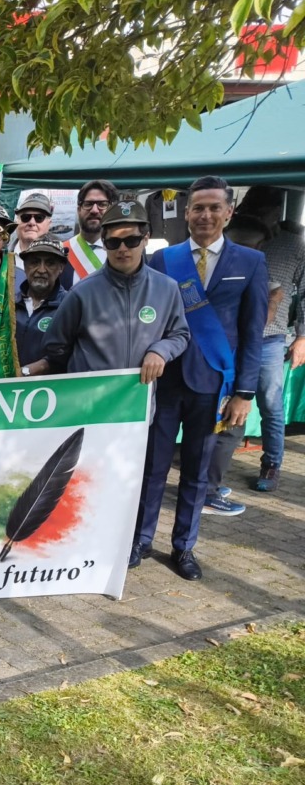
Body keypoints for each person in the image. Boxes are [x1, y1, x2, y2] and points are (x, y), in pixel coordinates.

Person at [139, 178, 267, 580]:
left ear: (229, 212)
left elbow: (251, 333)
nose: (205, 216)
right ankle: (140, 541)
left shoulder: (250, 262)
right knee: (153, 467)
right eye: (198, 208)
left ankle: (184, 547)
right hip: (164, 382)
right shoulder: (164, 260)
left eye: (214, 208)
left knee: (197, 471)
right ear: (187, 212)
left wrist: (244, 392)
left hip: (213, 387)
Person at [34, 200, 188, 380]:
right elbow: (55, 346)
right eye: (114, 242)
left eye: (131, 240)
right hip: (90, 401)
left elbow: (180, 334)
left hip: (137, 399)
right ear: (104, 243)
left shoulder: (167, 288)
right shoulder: (82, 293)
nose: (122, 249)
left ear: (145, 239)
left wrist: (161, 350)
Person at [227, 185, 305, 493]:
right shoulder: (234, 237)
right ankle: (218, 457)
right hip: (230, 334)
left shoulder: (295, 246)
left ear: (278, 211)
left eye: (266, 211)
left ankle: (272, 462)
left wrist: (302, 337)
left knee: (271, 403)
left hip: (269, 340)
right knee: (226, 397)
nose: (261, 217)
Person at [198, 213, 273, 516]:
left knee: (223, 429)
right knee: (226, 430)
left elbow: (253, 330)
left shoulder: (241, 264)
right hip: (218, 368)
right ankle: (208, 491)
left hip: (222, 368)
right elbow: (254, 331)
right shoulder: (250, 263)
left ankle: (205, 486)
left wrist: (245, 390)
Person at [11, 237, 68, 370]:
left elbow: (67, 353)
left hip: (52, 389)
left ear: (61, 268)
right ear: (24, 266)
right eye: (35, 262)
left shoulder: (69, 305)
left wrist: (25, 372)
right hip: (7, 388)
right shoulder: (9, 303)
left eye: (50, 263)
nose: (41, 270)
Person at [63, 180, 119, 287]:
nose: (94, 210)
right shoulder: (62, 252)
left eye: (102, 204)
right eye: (88, 204)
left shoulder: (126, 251)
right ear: (79, 210)